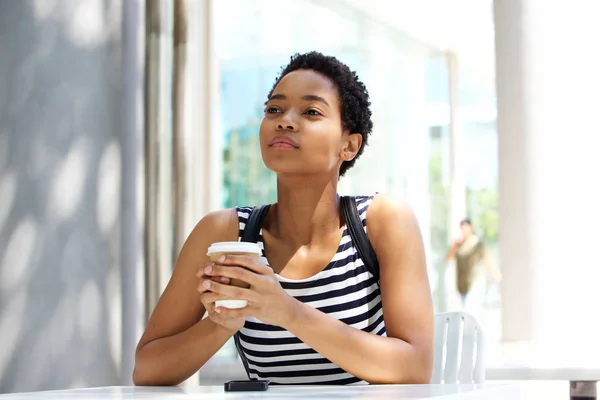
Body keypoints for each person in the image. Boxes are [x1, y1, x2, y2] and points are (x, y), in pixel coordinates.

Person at [133, 52, 434, 386]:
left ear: (349, 145)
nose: (285, 120)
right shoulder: (226, 233)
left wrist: (286, 311)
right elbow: (147, 370)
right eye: (274, 109)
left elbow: (415, 367)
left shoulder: (382, 221)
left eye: (311, 112)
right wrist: (221, 323)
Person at [445, 219, 501, 319]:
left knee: (470, 312)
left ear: (471, 228)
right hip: (462, 285)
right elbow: (447, 260)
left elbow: (487, 260)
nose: (463, 230)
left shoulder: (478, 244)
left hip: (476, 284)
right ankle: (471, 333)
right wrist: (455, 246)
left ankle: (474, 334)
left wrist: (496, 274)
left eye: (465, 227)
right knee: (468, 313)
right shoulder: (459, 245)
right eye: (461, 228)